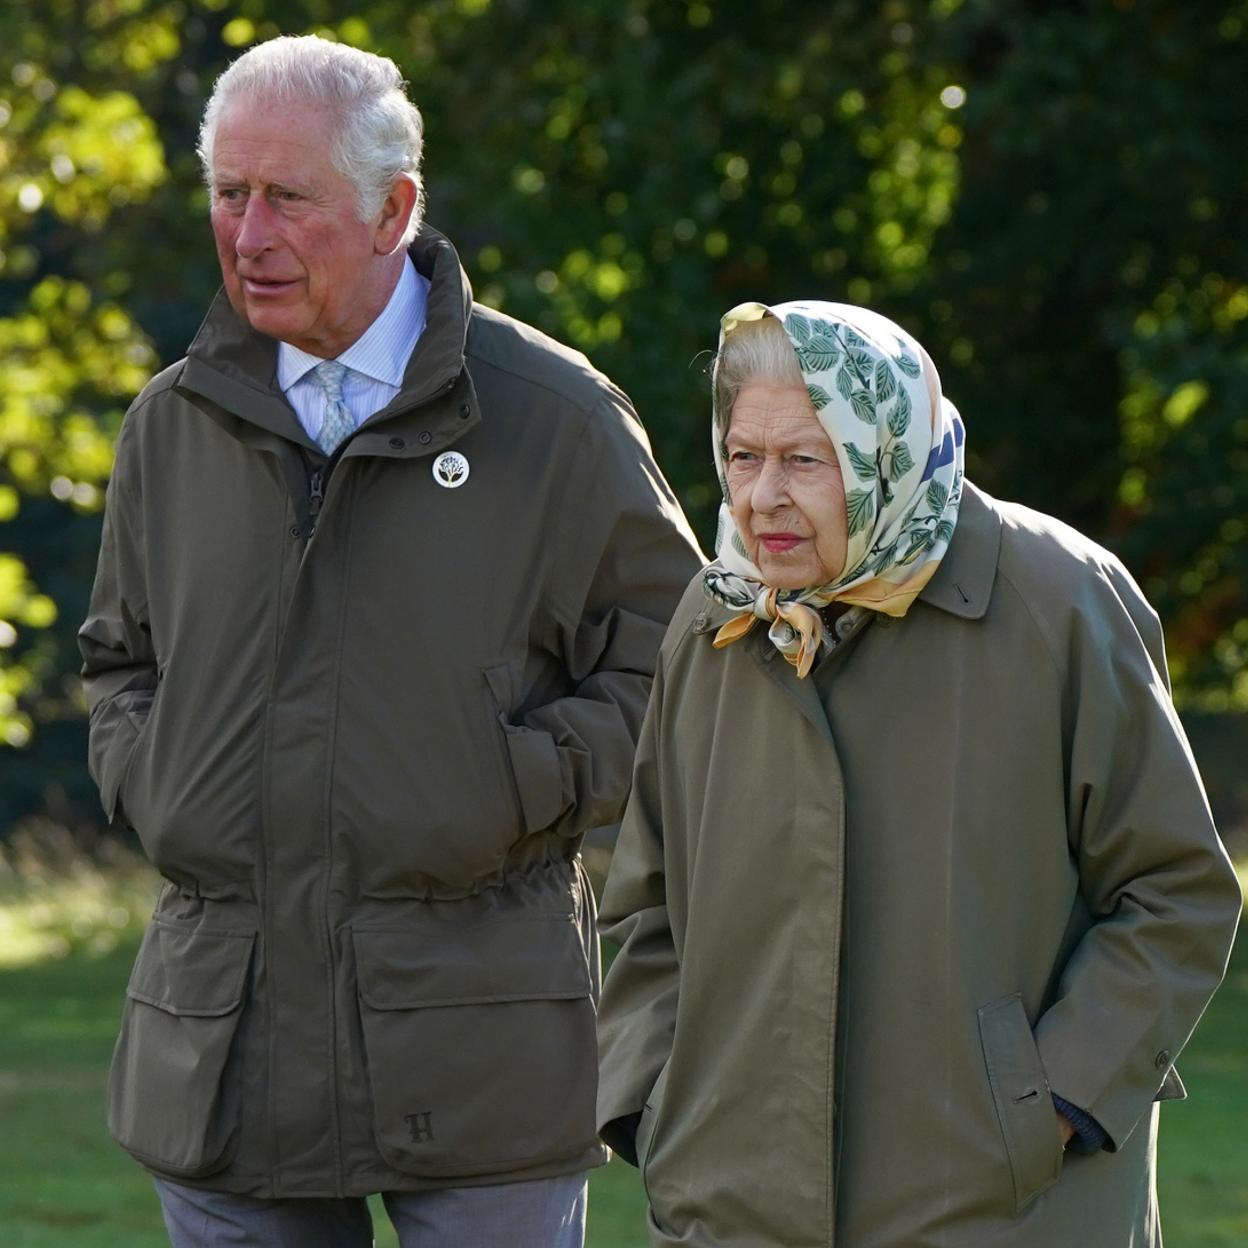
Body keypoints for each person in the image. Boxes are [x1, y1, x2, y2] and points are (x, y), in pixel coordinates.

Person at [78, 34, 701, 1248]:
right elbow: (119, 662)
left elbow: (678, 666)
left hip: (477, 1046)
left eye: (287, 198)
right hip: (223, 1049)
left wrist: (509, 779)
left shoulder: (553, 417)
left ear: (394, 210)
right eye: (227, 194)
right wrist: (161, 784)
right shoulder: (172, 424)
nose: (248, 235)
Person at [595, 299, 1242, 1247]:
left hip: (1000, 1210)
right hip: (730, 1207)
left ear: (882, 450)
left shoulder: (1059, 600)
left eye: (806, 460)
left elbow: (1176, 890)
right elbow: (648, 902)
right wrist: (658, 1106)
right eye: (743, 456)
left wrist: (1047, 1107)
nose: (761, 496)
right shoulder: (717, 615)